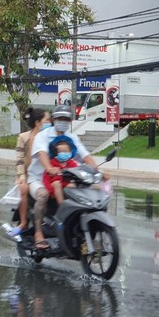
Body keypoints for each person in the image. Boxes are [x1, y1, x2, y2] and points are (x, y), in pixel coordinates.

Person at [27, 105, 105, 249]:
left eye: (66, 119)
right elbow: (42, 154)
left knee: (85, 194)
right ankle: (39, 233)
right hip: (38, 179)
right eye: (60, 118)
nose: (63, 121)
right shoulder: (42, 136)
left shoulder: (71, 137)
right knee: (42, 195)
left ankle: (74, 229)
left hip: (64, 179)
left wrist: (98, 171)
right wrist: (49, 168)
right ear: (53, 120)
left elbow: (85, 155)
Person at [7, 107, 51, 238]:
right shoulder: (24, 137)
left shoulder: (50, 136)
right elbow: (19, 159)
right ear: (38, 122)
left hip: (47, 174)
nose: (50, 122)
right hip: (28, 175)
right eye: (47, 119)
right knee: (23, 188)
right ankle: (23, 223)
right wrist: (21, 176)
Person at [42, 137, 78, 205]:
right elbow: (46, 177)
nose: (62, 153)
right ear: (55, 153)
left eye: (65, 151)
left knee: (76, 185)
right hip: (55, 184)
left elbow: (77, 170)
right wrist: (50, 189)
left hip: (66, 183)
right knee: (57, 184)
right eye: (60, 152)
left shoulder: (71, 163)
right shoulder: (52, 163)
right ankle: (62, 205)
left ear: (70, 152)